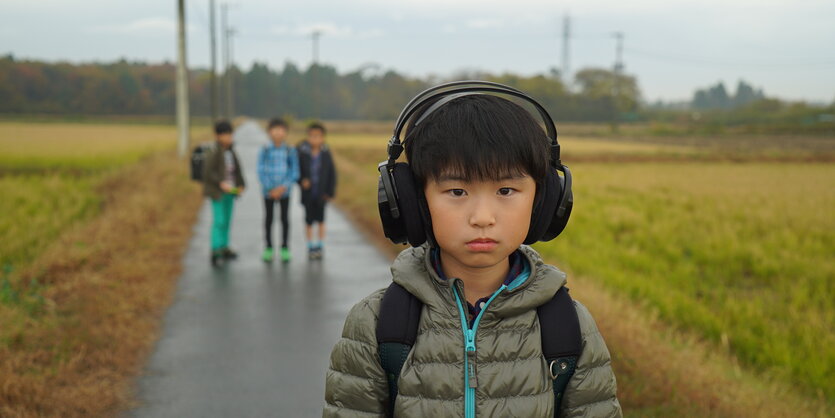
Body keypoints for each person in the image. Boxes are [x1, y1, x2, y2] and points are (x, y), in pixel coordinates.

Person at [324, 85, 621, 417]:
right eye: (457, 190)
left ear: (544, 201)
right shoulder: (378, 324)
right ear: (415, 202)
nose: (482, 218)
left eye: (506, 190)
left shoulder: (568, 327)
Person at [202, 120, 245, 267]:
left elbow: (237, 170)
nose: (227, 138)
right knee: (219, 220)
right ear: (217, 136)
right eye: (224, 135)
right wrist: (220, 183)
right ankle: (216, 248)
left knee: (227, 220)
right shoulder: (214, 151)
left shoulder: (231, 151)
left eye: (229, 135)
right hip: (218, 193)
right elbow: (208, 172)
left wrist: (241, 185)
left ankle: (225, 246)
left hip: (230, 192)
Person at [257, 118, 300, 263]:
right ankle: (268, 247)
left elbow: (294, 171)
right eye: (274, 130)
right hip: (268, 192)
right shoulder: (265, 149)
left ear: (285, 132)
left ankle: (285, 247)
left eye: (281, 130)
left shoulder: (289, 150)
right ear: (269, 132)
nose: (278, 133)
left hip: (285, 192)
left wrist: (283, 187)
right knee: (269, 219)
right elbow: (260, 170)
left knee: (284, 219)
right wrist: (270, 188)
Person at [297, 122, 336, 260]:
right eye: (312, 136)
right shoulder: (302, 152)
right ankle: (310, 246)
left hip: (321, 193)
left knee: (320, 220)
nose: (315, 139)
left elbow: (332, 173)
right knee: (308, 220)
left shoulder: (326, 153)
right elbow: (297, 171)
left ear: (323, 138)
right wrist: (302, 180)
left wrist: (330, 192)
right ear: (308, 137)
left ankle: (319, 245)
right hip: (307, 193)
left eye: (318, 136)